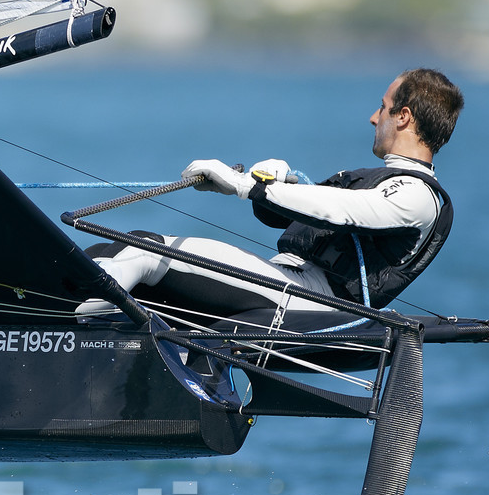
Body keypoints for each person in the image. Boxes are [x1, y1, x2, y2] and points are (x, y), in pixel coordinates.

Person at [80, 68, 464, 317]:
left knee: (145, 253)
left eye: (382, 107)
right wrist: (279, 185)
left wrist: (246, 186)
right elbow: (289, 214)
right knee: (114, 248)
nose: (373, 117)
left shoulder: (418, 197)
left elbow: (343, 211)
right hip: (288, 281)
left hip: (309, 303)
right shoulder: (383, 181)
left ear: (404, 116)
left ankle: (71, 329)